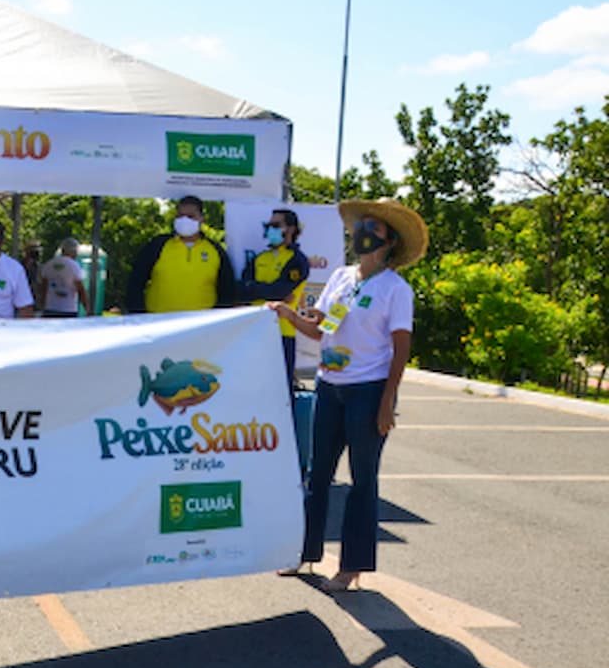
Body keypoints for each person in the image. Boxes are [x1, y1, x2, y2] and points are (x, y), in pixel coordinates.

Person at [268, 197, 425, 593]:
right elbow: (319, 330)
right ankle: (304, 553)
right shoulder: (340, 278)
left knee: (362, 479)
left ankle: (352, 567)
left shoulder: (395, 289)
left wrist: (388, 400)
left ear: (389, 243)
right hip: (330, 387)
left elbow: (401, 347)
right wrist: (288, 315)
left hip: (368, 392)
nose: (364, 234)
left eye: (375, 230)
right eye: (362, 227)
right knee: (317, 475)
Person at [125, 196, 235, 313]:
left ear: (202, 219)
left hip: (202, 326)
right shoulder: (158, 245)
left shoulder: (215, 250)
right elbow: (135, 281)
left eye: (190, 216)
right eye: (180, 216)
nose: (185, 220)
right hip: (160, 324)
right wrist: (138, 314)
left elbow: (226, 291)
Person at [241, 208, 310, 386]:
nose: (270, 229)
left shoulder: (297, 260)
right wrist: (266, 291)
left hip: (281, 332)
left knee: (281, 389)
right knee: (253, 386)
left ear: (291, 229)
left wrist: (255, 288)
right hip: (253, 331)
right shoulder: (259, 258)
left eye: (276, 225)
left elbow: (278, 291)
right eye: (269, 225)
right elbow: (242, 289)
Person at [37, 237, 89, 318]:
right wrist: (87, 308)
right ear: (73, 251)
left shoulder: (49, 264)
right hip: (68, 309)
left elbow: (43, 287)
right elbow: (80, 289)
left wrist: (42, 305)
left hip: (50, 308)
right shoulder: (74, 266)